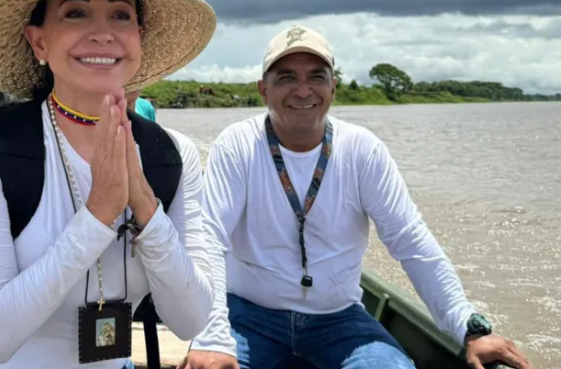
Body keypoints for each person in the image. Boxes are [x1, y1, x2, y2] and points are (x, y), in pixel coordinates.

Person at [0, 0, 219, 368]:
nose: (102, 34)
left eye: (120, 15)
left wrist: (145, 206)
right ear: (39, 42)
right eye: (76, 12)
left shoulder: (171, 155)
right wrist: (98, 214)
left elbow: (191, 319)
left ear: (139, 37)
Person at [180, 25, 533, 369]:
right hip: (247, 316)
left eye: (316, 77)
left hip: (337, 319)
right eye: (286, 77)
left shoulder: (362, 150)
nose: (303, 90)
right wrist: (212, 338)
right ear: (263, 90)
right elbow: (209, 238)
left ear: (333, 87)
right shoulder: (238, 145)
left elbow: (410, 240)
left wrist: (469, 328)